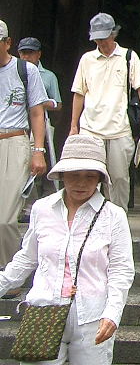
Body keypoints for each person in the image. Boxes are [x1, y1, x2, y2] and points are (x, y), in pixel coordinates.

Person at [0, 134, 135, 364]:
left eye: (90, 176)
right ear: (62, 175)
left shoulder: (113, 216)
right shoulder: (42, 209)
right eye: (74, 175)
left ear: (99, 178)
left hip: (92, 316)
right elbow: (27, 258)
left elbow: (121, 270)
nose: (81, 183)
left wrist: (112, 314)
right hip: (44, 311)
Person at [70, 13, 140, 211]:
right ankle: (89, 218)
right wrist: (73, 126)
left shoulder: (128, 57)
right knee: (87, 175)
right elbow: (79, 93)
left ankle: (118, 219)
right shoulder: (87, 59)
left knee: (119, 178)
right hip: (90, 128)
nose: (101, 42)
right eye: (97, 38)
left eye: (104, 37)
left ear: (113, 34)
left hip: (119, 128)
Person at [0, 19, 49, 271]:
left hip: (15, 140)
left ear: (7, 43)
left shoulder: (25, 70)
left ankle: (8, 271)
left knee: (5, 218)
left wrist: (38, 150)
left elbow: (37, 112)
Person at [17, 36, 61, 204]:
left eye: (30, 53)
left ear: (38, 54)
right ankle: (26, 203)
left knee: (35, 162)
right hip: (17, 124)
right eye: (23, 53)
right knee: (21, 164)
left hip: (40, 123)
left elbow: (58, 104)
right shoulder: (12, 72)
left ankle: (34, 204)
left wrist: (40, 102)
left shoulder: (48, 76)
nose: (26, 57)